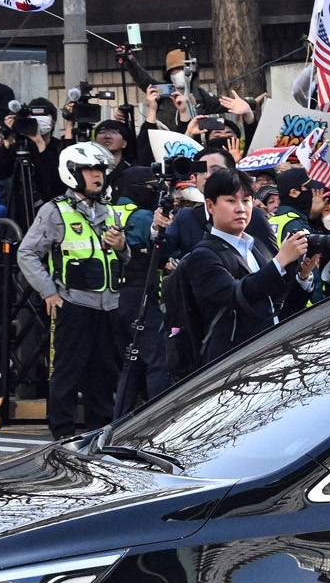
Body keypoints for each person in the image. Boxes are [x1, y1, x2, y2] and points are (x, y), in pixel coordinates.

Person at [16, 141, 127, 440]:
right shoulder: (54, 211)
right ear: (72, 174)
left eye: (100, 169)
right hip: (74, 304)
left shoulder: (110, 212)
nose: (97, 176)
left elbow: (122, 258)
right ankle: (63, 432)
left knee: (104, 373)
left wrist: (123, 246)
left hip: (108, 305)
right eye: (89, 170)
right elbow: (26, 253)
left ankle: (100, 431)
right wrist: (49, 292)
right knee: (67, 371)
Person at [179, 167, 315, 364]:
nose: (240, 208)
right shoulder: (203, 256)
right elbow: (238, 296)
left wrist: (303, 275)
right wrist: (280, 261)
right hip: (234, 363)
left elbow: (279, 306)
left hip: (275, 354)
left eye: (246, 200)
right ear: (210, 206)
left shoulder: (257, 246)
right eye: (231, 201)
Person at [111, 165, 173, 412]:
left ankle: (120, 420)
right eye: (151, 188)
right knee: (158, 358)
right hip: (140, 292)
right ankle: (157, 416)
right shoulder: (142, 216)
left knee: (131, 361)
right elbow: (163, 251)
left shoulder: (109, 210)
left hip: (112, 293)